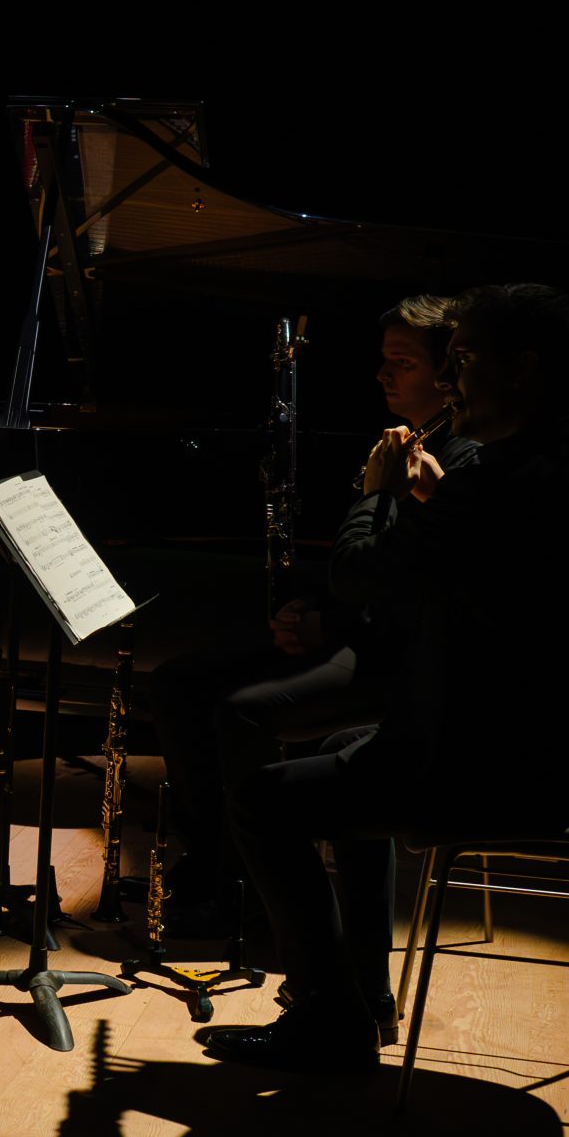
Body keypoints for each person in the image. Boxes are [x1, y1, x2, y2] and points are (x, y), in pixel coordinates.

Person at [201, 283, 569, 1072]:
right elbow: (490, 578)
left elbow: (357, 577)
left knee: (261, 799)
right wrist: (437, 504)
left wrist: (376, 493)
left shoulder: (489, 488)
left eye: (464, 358)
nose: (452, 378)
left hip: (490, 770)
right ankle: (364, 994)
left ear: (523, 369)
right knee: (337, 750)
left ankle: (328, 1017)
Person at [145, 296, 480, 947]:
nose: (382, 375)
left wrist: (333, 624)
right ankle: (212, 864)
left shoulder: (459, 459)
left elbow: (412, 591)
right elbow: (367, 566)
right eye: (383, 360)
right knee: (179, 683)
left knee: (242, 711)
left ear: (447, 373)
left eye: (402, 362)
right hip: (358, 629)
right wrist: (308, 611)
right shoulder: (406, 440)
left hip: (397, 656)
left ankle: (252, 895)